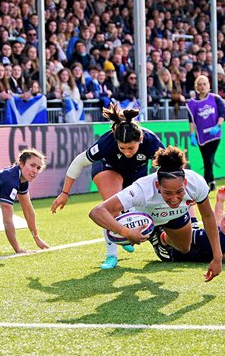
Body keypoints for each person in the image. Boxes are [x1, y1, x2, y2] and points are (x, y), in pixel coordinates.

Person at [50, 103, 165, 270]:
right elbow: (78, 162)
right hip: (108, 169)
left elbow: (167, 167)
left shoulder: (152, 142)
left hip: (136, 172)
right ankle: (111, 255)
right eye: (122, 147)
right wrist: (65, 192)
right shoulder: (107, 142)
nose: (126, 152)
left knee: (137, 207)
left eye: (131, 148)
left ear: (140, 139)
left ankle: (122, 232)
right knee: (110, 208)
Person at [89, 146, 223, 282]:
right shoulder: (142, 189)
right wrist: (126, 232)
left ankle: (159, 237)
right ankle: (151, 230)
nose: (175, 199)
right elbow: (97, 212)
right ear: (158, 185)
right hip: (144, 219)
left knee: (184, 248)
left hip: (175, 216)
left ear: (185, 182)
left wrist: (217, 258)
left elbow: (207, 216)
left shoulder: (196, 182)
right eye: (168, 193)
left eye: (179, 192)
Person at [150, 186, 225, 264]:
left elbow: (184, 235)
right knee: (187, 209)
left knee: (164, 217)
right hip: (189, 245)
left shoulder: (211, 238)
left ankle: (155, 237)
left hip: (169, 252)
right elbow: (216, 220)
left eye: (224, 216)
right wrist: (220, 201)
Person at [186, 75, 225, 191]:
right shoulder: (192, 104)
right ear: (196, 87)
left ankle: (205, 184)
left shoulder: (215, 98)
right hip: (201, 135)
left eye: (205, 84)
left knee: (209, 158)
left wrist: (218, 126)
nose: (202, 86)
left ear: (209, 85)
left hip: (214, 134)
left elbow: (222, 113)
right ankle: (212, 181)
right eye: (200, 84)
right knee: (206, 159)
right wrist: (192, 134)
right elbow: (192, 121)